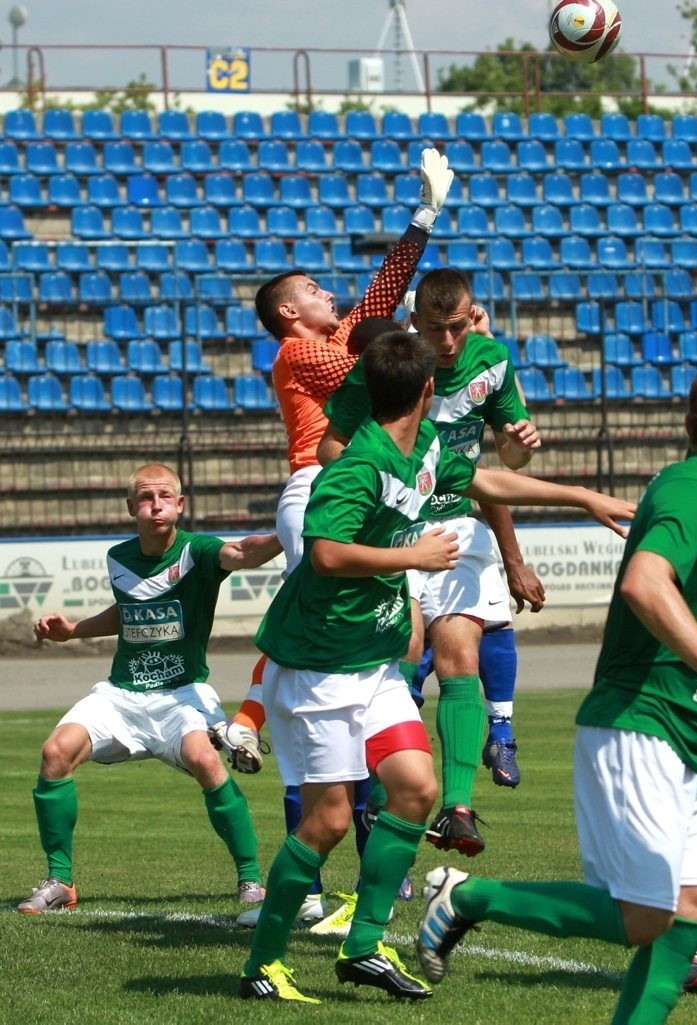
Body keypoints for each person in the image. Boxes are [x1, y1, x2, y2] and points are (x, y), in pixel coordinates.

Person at [238, 330, 635, 1003]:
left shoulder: (421, 447)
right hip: (316, 667)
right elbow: (327, 551)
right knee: (329, 821)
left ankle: (363, 944)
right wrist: (410, 560)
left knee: (416, 790)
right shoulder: (358, 464)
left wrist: (579, 495)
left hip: (370, 663)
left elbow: (483, 479)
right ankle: (262, 963)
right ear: (426, 390)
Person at [417, 364, 697, 1025]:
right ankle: (468, 900)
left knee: (690, 913)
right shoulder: (694, 487)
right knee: (645, 919)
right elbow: (644, 582)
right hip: (646, 722)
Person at [227, 147, 455, 929]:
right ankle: (252, 716)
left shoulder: (337, 337)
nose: (331, 294)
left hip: (350, 492)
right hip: (314, 490)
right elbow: (373, 347)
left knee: (367, 649)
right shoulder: (299, 349)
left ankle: (342, 843)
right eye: (316, 290)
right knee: (318, 630)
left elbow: (381, 300)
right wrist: (421, 352)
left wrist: (424, 215)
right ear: (290, 312)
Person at [318, 268, 545, 856]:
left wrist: (519, 445)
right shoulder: (391, 365)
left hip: (456, 523)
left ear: (472, 318)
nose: (447, 344)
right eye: (435, 329)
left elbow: (507, 466)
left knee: (460, 654)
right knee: (406, 650)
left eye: (457, 328)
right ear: (413, 320)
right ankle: (382, 800)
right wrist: (378, 484)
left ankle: (459, 808)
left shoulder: (492, 361)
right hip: (394, 523)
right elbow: (330, 444)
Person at [17, 463, 282, 914]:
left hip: (182, 693)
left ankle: (251, 881)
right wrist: (73, 631)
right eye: (144, 497)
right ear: (131, 507)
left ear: (180, 505)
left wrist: (289, 530)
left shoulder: (197, 551)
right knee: (54, 753)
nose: (154, 504)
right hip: (121, 695)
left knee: (205, 759)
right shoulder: (119, 557)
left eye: (164, 496)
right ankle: (60, 881)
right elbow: (128, 610)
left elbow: (243, 551)